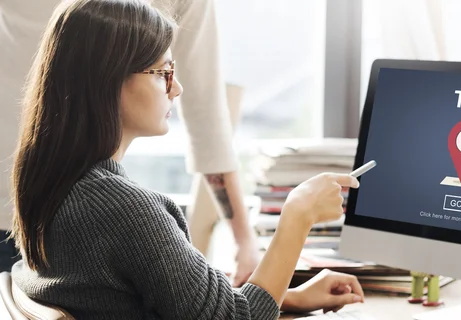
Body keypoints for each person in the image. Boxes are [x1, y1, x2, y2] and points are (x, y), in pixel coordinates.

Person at [9, 0, 365, 319]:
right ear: (109, 80)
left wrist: (287, 297)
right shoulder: (122, 210)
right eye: (162, 73)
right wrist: (298, 215)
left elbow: (168, 299)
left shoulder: (54, 186)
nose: (176, 88)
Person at [0, 0, 261, 285]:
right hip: (32, 212)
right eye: (162, 73)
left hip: (35, 202)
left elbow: (206, 118)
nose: (174, 88)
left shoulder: (122, 207)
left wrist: (243, 241)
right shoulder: (132, 214)